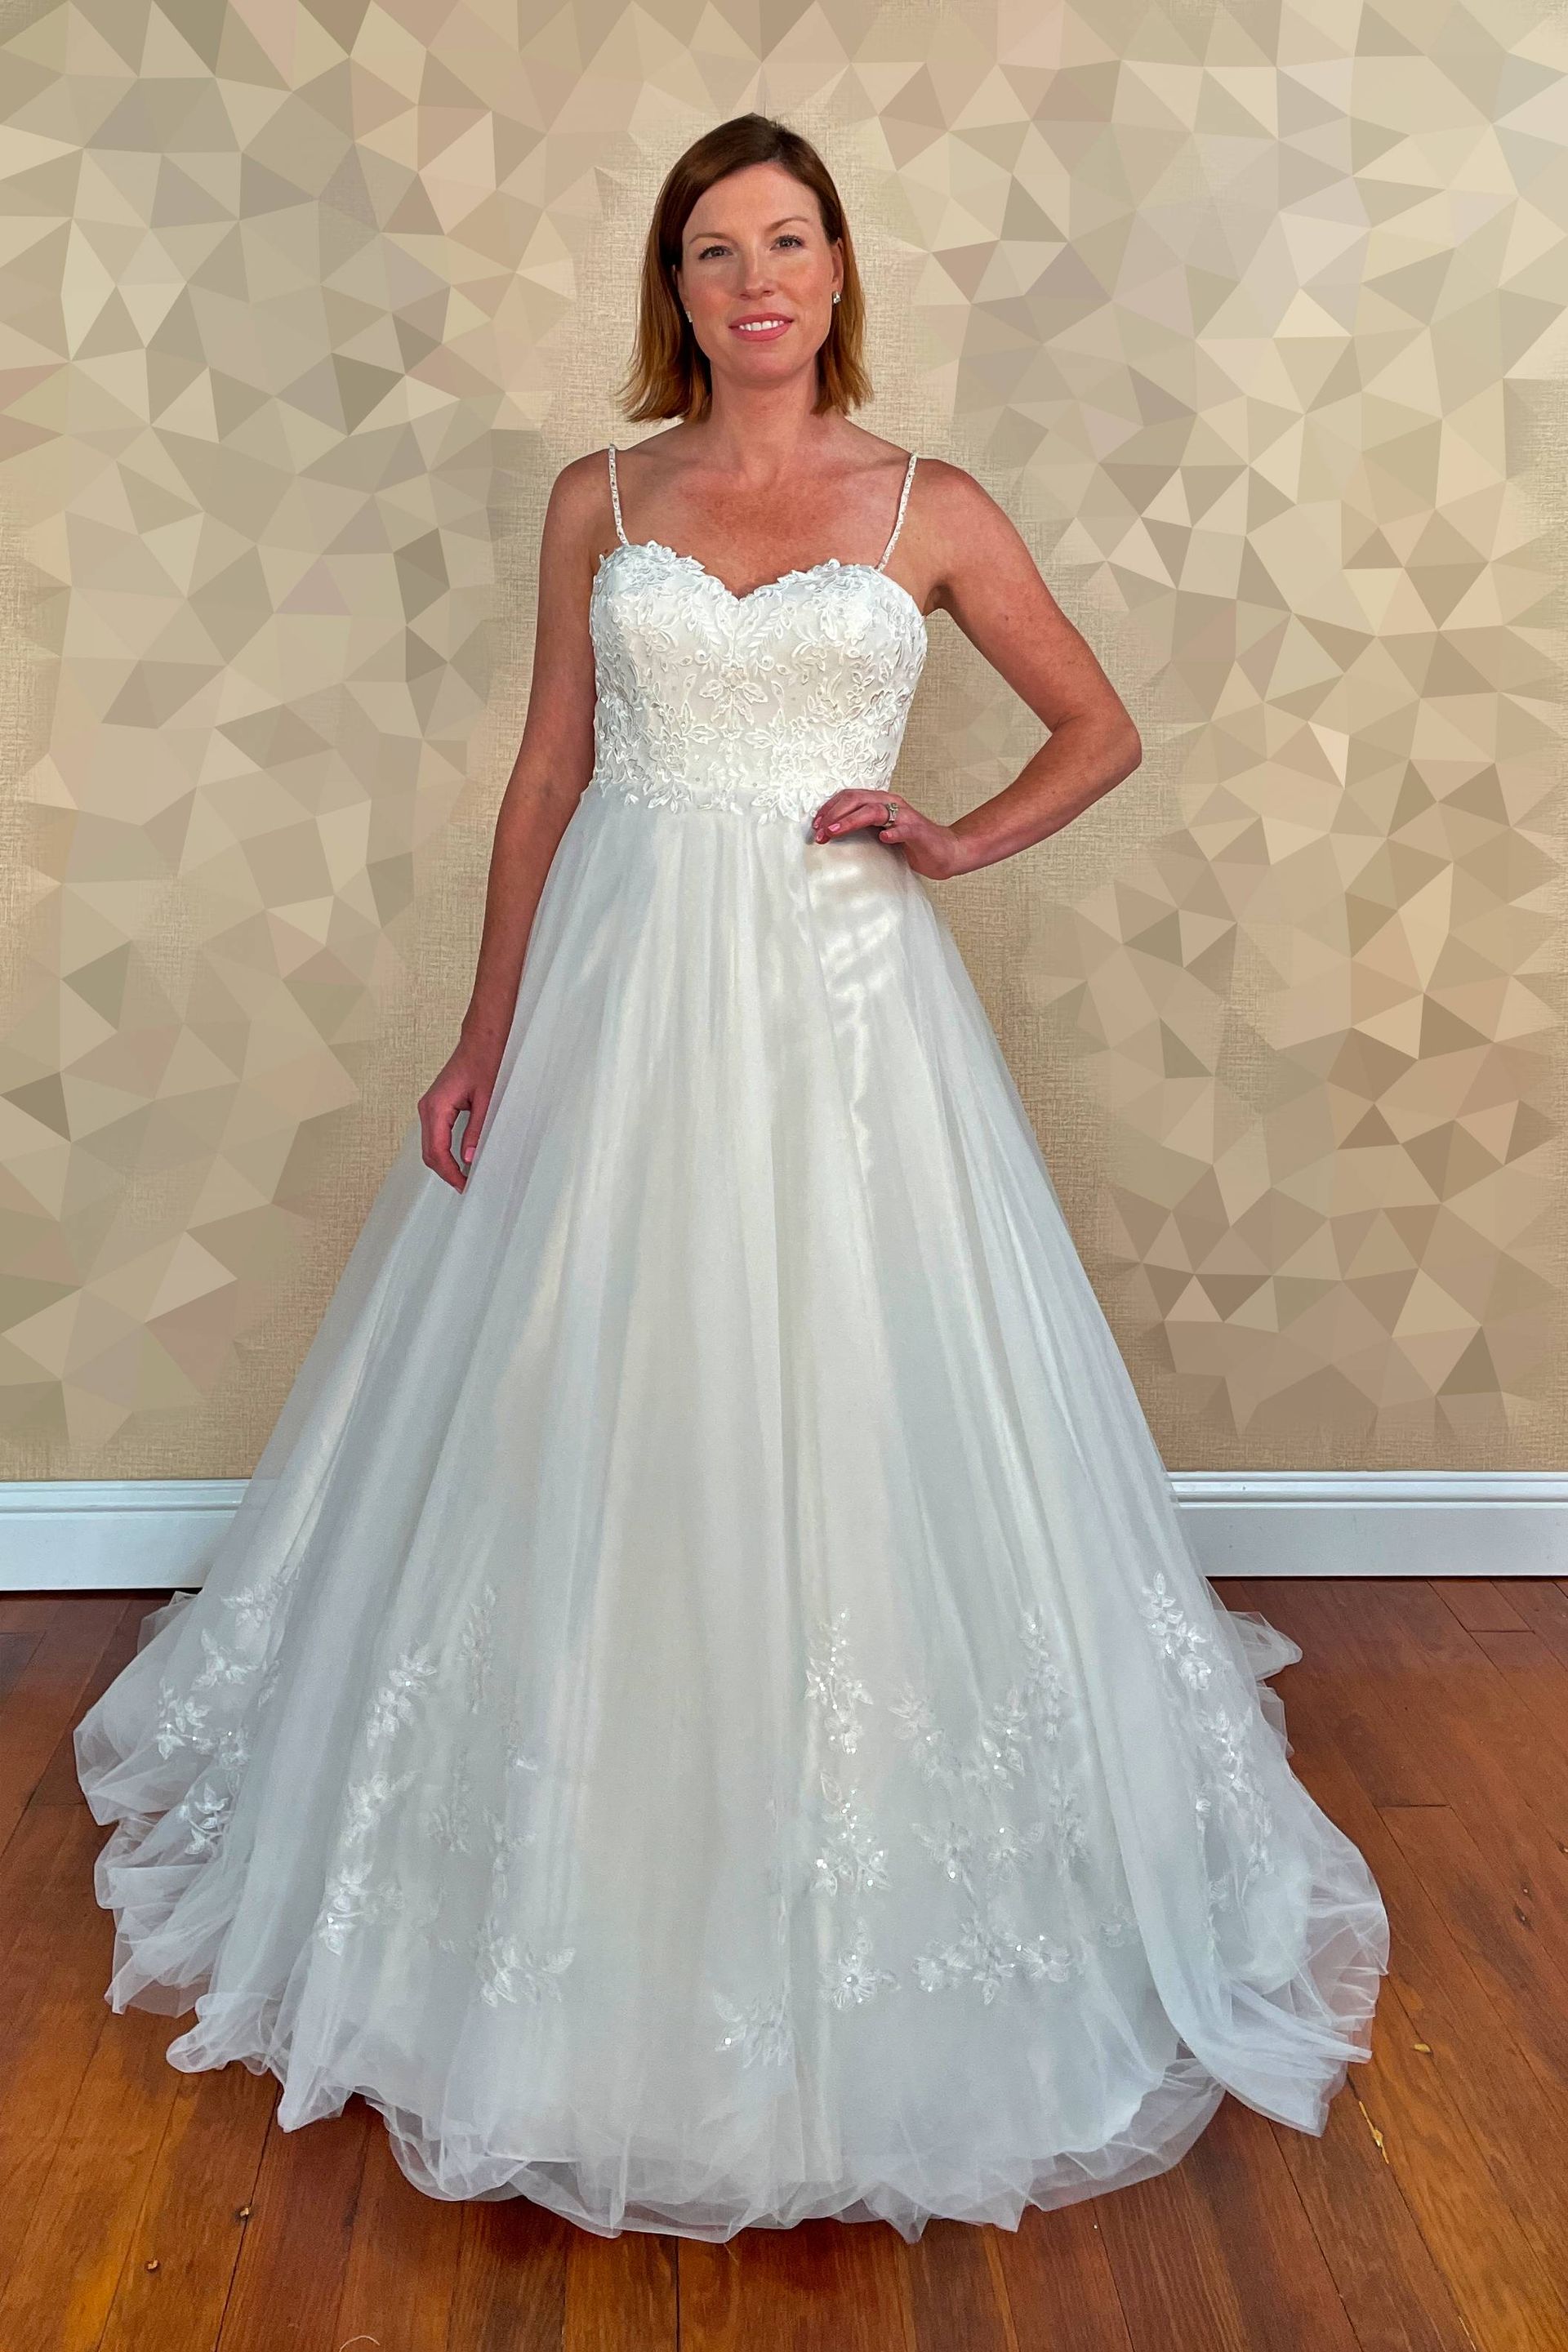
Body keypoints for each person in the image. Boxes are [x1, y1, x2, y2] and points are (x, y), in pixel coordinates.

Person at [74, 111, 1389, 2246]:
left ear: (840, 273)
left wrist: (957, 840)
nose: (753, 282)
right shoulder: (598, 501)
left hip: (850, 1018)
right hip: (617, 1009)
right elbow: (543, 778)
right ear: (672, 291)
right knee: (599, 1398)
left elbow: (1099, 727)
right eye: (711, 251)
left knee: (862, 1405)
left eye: (788, 243)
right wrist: (486, 1033)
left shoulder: (928, 504)